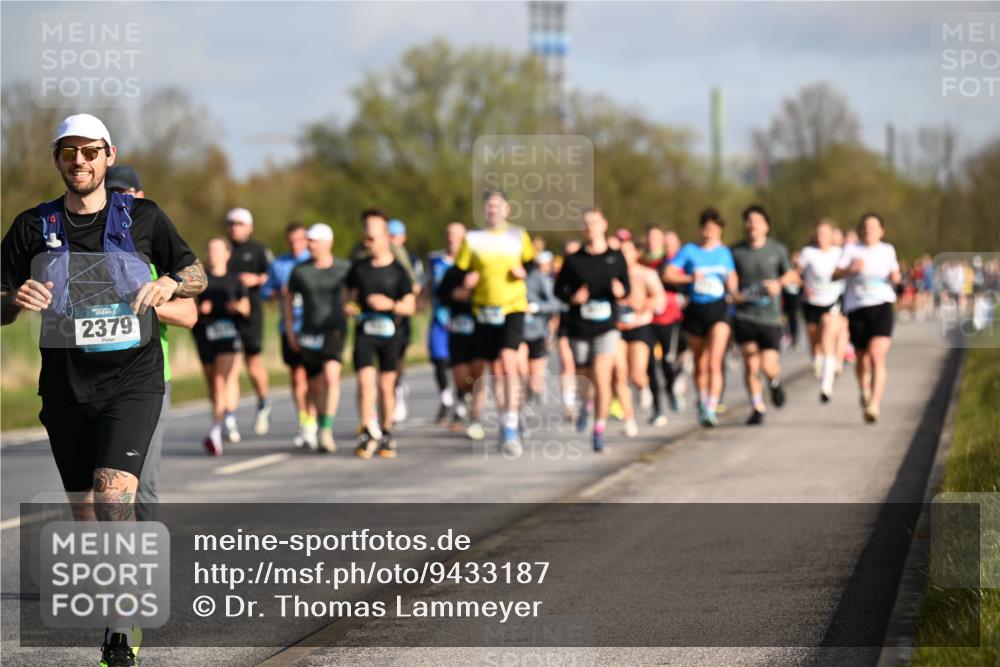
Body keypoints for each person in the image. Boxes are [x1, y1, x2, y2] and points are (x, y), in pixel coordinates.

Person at [0, 113, 205, 667]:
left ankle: (122, 623)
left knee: (115, 494)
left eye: (90, 151)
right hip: (65, 389)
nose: (80, 161)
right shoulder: (31, 226)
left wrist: (169, 280)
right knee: (85, 508)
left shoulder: (144, 217)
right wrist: (14, 300)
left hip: (134, 382)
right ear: (57, 161)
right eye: (69, 152)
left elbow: (196, 274)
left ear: (108, 156)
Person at [106, 165, 198, 515]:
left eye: (127, 194)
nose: (121, 200)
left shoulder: (153, 243)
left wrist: (142, 303)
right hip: (94, 378)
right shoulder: (85, 240)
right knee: (96, 487)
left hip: (149, 378)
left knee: (142, 481)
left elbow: (189, 315)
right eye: (114, 194)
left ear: (141, 198)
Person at [455, 190, 536, 455]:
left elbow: (533, 265)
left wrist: (524, 272)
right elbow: (460, 271)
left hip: (513, 307)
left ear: (507, 209)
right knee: (484, 370)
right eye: (488, 206)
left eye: (497, 206)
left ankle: (509, 426)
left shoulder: (518, 236)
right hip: (483, 311)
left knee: (507, 364)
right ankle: (491, 416)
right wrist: (466, 283)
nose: (493, 210)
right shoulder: (473, 239)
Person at [555, 209, 630, 452]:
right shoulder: (573, 260)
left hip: (607, 327)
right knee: (584, 379)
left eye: (595, 222)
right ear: (583, 228)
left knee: (602, 376)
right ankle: (586, 406)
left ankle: (599, 430)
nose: (591, 227)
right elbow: (559, 290)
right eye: (586, 224)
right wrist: (573, 297)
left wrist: (621, 292)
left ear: (604, 225)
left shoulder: (616, 257)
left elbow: (626, 288)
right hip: (580, 326)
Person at [345, 213, 416, 458]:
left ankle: (386, 432)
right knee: (365, 384)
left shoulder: (398, 271)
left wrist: (390, 304)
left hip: (390, 333)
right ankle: (367, 432)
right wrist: (350, 307)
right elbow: (349, 297)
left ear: (386, 238)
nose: (368, 243)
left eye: (372, 238)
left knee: (386, 387)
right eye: (365, 238)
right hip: (365, 331)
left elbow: (410, 306)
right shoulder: (359, 268)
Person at [664, 207, 737, 428]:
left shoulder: (724, 253)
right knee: (700, 363)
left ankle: (711, 407)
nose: (709, 233)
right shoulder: (689, 250)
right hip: (696, 309)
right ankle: (703, 399)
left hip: (718, 309)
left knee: (715, 361)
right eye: (705, 229)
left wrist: (733, 289)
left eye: (713, 230)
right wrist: (688, 278)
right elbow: (668, 274)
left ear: (720, 231)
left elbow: (732, 276)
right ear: (700, 229)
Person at [284, 223, 350, 453]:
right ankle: (320, 421)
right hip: (309, 332)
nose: (309, 245)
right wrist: (291, 332)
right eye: (307, 240)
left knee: (332, 376)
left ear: (327, 243)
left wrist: (352, 305)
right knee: (315, 385)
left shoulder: (344, 268)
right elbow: (288, 300)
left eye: (313, 241)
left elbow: (356, 292)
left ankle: (326, 430)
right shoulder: (300, 271)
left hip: (334, 330)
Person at [730, 204, 796, 425]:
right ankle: (757, 406)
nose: (752, 225)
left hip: (770, 317)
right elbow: (730, 283)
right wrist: (735, 295)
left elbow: (791, 275)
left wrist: (778, 284)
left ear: (766, 226)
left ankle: (774, 383)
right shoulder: (735, 251)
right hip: (744, 315)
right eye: (748, 221)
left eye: (757, 221)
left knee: (768, 365)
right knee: (750, 362)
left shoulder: (777, 250)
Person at [833, 212, 902, 423]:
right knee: (861, 358)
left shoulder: (887, 250)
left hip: (882, 306)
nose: (868, 230)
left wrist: (895, 277)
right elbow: (834, 275)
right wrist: (849, 270)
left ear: (881, 230)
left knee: (876, 356)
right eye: (864, 226)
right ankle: (864, 387)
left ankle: (874, 404)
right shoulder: (851, 250)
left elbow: (896, 275)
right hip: (857, 308)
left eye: (873, 227)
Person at [195, 238, 251, 455]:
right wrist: (202, 308)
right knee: (213, 383)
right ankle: (224, 416)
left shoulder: (235, 280)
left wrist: (235, 307)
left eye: (218, 250)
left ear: (228, 254)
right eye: (210, 249)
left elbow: (246, 308)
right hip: (205, 334)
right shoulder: (200, 281)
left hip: (228, 334)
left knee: (220, 380)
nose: (214, 253)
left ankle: (215, 431)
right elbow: (190, 307)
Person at [263, 223, 315, 448]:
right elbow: (266, 291)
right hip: (289, 327)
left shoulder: (313, 262)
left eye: (300, 240)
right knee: (297, 378)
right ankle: (304, 422)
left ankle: (315, 421)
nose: (296, 245)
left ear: (307, 241)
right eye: (291, 241)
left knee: (313, 378)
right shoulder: (279, 264)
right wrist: (279, 293)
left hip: (312, 325)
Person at [224, 207, 273, 435]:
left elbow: (273, 278)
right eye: (232, 224)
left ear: (250, 227)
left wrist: (257, 279)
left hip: (252, 314)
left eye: (240, 224)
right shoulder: (224, 250)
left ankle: (263, 402)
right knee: (231, 366)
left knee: (252, 362)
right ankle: (229, 417)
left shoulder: (259, 250)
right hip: (227, 314)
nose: (235, 228)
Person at [618, 237, 666, 430]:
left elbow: (660, 300)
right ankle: (629, 420)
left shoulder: (645, 274)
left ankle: (643, 388)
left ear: (635, 253)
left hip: (641, 326)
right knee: (619, 374)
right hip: (617, 328)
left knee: (637, 373)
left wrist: (641, 305)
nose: (623, 256)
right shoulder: (611, 274)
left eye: (626, 251)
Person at [797, 219, 846, 402]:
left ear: (832, 235)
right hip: (811, 301)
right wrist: (801, 284)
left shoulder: (839, 253)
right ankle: (817, 361)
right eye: (818, 234)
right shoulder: (808, 253)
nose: (821, 237)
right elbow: (797, 273)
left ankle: (827, 386)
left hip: (832, 301)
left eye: (825, 234)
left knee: (827, 340)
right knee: (814, 340)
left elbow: (846, 272)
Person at [643, 227, 688, 425]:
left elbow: (682, 285)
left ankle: (670, 389)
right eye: (650, 237)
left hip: (669, 318)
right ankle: (657, 409)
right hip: (645, 318)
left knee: (667, 363)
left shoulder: (672, 262)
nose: (652, 241)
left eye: (656, 238)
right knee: (650, 365)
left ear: (663, 240)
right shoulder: (641, 261)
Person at [424, 222, 465, 423]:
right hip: (440, 317)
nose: (452, 239)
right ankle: (446, 398)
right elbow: (428, 284)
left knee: (460, 364)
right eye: (449, 234)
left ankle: (462, 403)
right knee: (439, 359)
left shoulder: (470, 261)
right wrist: (420, 301)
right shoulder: (434, 260)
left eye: (456, 235)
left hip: (463, 318)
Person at [387, 219, 422, 424]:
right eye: (389, 236)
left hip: (401, 313)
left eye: (396, 236)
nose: (392, 240)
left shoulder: (410, 258)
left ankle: (398, 389)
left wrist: (401, 302)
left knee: (397, 357)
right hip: (379, 316)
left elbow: (417, 286)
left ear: (403, 237)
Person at [437, 260, 478, 433]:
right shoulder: (452, 272)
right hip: (458, 329)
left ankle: (475, 418)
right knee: (461, 377)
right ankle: (464, 397)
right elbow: (441, 295)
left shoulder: (485, 268)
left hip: (481, 329)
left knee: (478, 375)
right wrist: (457, 293)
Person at [521, 250, 561, 403]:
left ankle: (532, 396)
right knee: (520, 371)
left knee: (534, 380)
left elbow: (555, 304)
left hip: (537, 332)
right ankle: (521, 407)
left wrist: (536, 307)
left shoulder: (541, 279)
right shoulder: (517, 276)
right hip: (518, 331)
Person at [556, 238, 582, 422]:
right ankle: (569, 404)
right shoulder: (559, 277)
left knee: (583, 368)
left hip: (586, 326)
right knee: (567, 365)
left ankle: (588, 402)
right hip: (565, 325)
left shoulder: (587, 274)